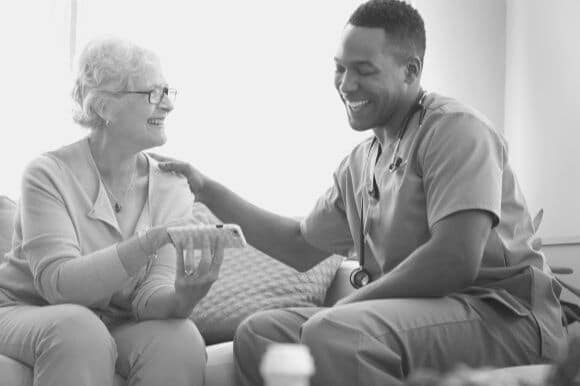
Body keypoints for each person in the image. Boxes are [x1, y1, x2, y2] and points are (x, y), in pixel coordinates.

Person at [152, 0, 567, 385]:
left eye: (364, 70)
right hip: (427, 313)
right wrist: (206, 189)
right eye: (340, 68)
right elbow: (299, 244)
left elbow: (454, 259)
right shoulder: (360, 161)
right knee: (261, 333)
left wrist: (350, 305)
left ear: (411, 71)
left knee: (336, 331)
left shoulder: (455, 130)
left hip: (504, 315)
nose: (347, 84)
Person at [0, 37, 225, 386]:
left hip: (113, 320)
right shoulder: (47, 174)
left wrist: (185, 295)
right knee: (78, 329)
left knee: (180, 339)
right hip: (25, 310)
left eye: (168, 92)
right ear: (104, 107)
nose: (167, 105)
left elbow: (149, 298)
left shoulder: (172, 186)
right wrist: (147, 242)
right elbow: (59, 285)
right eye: (153, 93)